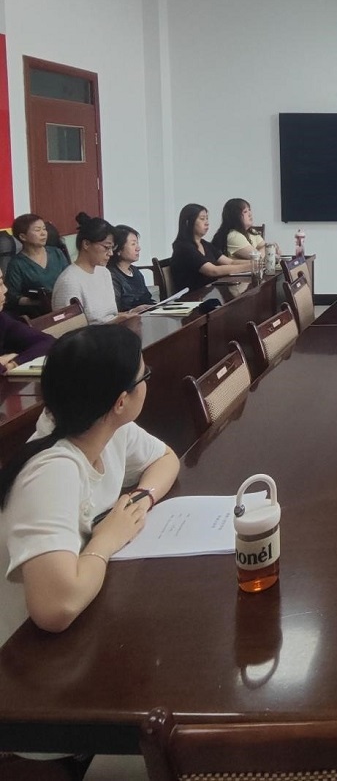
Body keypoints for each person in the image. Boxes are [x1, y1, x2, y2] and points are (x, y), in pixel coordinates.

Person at [0, 325, 179, 776]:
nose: (148, 382)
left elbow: (166, 459)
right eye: (144, 376)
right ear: (120, 400)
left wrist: (141, 500)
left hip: (85, 631)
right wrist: (107, 538)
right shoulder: (51, 471)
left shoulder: (106, 428)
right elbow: (55, 607)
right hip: (31, 681)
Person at [52, 214, 136, 325]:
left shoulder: (104, 272)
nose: (111, 253)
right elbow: (67, 329)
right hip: (93, 335)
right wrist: (111, 324)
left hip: (112, 331)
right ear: (86, 244)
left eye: (112, 248)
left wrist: (131, 312)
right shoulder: (69, 281)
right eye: (106, 247)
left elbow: (109, 316)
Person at [170, 203, 250, 294]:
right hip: (192, 297)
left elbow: (230, 262)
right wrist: (249, 267)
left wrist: (256, 263)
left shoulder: (204, 244)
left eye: (207, 218)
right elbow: (212, 271)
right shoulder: (183, 247)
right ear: (188, 222)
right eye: (202, 219)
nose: (207, 222)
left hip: (208, 294)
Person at [3, 213, 70, 313]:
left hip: (64, 306)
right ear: (23, 237)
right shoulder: (16, 264)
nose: (43, 233)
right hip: (38, 313)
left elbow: (69, 278)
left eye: (44, 229)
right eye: (37, 230)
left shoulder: (56, 253)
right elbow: (12, 298)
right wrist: (39, 301)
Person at [0, 266, 53, 371]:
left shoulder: (2, 319)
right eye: (0, 284)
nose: (5, 289)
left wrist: (13, 363)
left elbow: (48, 341)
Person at [211, 198, 276, 261]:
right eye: (245, 212)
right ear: (235, 216)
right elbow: (258, 258)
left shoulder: (251, 232)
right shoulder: (234, 236)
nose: (250, 214)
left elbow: (268, 250)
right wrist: (269, 248)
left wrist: (269, 248)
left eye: (249, 210)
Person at [109, 225, 154, 313]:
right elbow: (115, 311)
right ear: (118, 249)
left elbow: (148, 299)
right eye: (133, 244)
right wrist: (133, 311)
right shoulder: (111, 275)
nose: (138, 248)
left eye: (137, 243)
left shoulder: (135, 271)